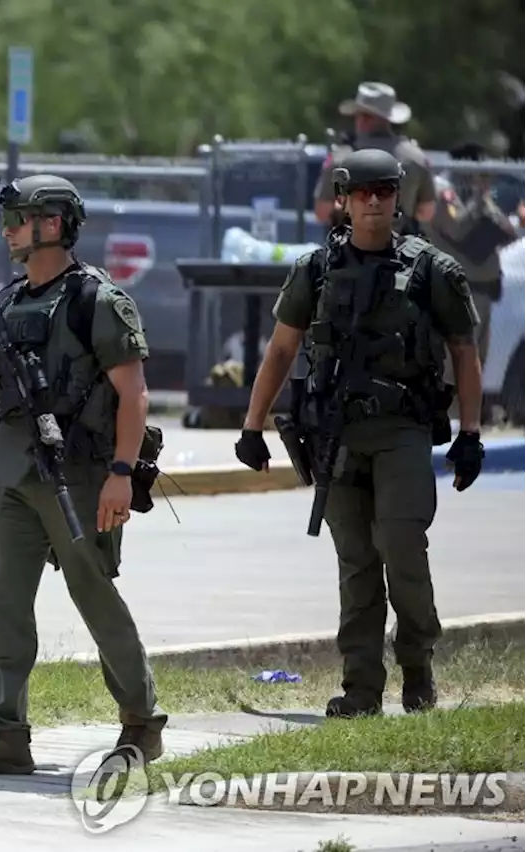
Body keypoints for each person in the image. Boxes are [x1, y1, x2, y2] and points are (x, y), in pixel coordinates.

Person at [234, 149, 485, 719]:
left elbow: (464, 353)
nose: (374, 201)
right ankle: (361, 688)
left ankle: (417, 662)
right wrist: (252, 425)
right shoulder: (314, 270)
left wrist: (470, 432)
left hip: (402, 429)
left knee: (400, 543)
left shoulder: (432, 271)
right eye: (363, 191)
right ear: (342, 199)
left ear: (398, 198)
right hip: (335, 435)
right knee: (355, 561)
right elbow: (281, 348)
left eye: (385, 190)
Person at [0, 174, 168, 776]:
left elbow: (134, 395)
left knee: (93, 594)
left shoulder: (97, 300)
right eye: (9, 217)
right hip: (13, 479)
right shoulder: (7, 302)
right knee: (6, 603)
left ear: (55, 224)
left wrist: (122, 472)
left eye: (20, 216)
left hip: (82, 478)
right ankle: (5, 733)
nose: (8, 228)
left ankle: (142, 722)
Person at [422, 140, 521, 379]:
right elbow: (457, 229)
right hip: (457, 289)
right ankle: (448, 416)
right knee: (452, 366)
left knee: (474, 366)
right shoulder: (443, 191)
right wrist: (479, 199)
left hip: (482, 292)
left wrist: (483, 200)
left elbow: (507, 232)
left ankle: (466, 416)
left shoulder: (474, 195)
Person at [315, 82, 436, 236]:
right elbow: (426, 213)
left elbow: (322, 213)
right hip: (401, 252)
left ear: (363, 118)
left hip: (350, 253)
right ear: (389, 117)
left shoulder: (340, 159)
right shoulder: (417, 158)